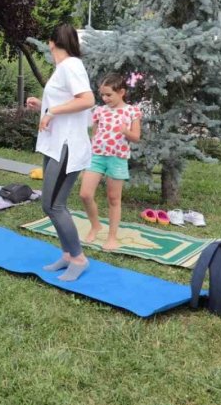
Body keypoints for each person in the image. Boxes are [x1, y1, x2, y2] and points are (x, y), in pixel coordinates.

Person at [25, 24, 96, 281]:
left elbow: (87, 100)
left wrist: (52, 111)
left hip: (67, 147)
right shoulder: (63, 69)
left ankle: (78, 257)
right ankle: (67, 255)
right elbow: (68, 104)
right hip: (55, 144)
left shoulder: (71, 66)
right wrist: (42, 106)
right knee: (53, 204)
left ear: (51, 42)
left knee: (53, 205)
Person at [80, 73, 142, 250]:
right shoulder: (99, 111)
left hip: (117, 158)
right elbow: (95, 134)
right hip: (97, 156)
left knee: (114, 199)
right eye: (103, 95)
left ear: (121, 92)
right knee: (85, 194)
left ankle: (112, 237)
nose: (105, 98)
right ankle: (95, 225)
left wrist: (126, 132)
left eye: (109, 95)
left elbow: (136, 137)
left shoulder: (132, 111)